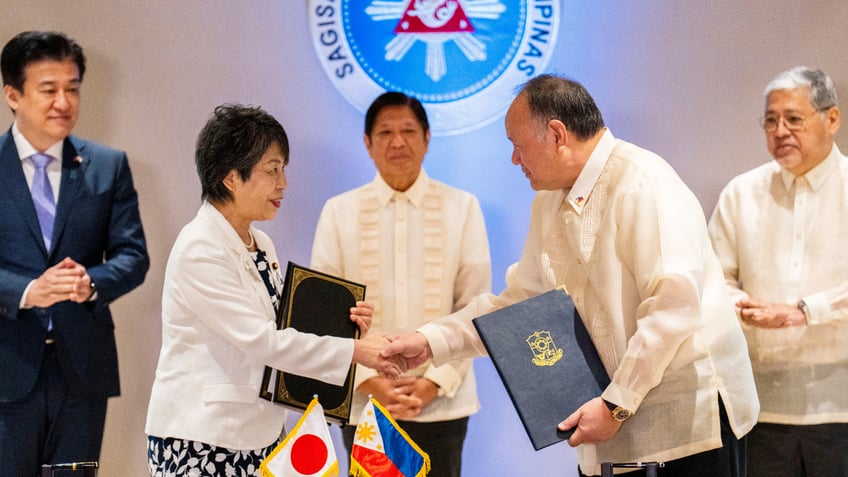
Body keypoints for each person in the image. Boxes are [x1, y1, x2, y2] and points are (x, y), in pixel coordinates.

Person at [383, 74, 760, 476]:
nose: (514, 159)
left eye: (517, 145)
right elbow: (517, 307)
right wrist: (430, 341)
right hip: (610, 422)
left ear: (557, 134)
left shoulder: (644, 184)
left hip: (687, 427)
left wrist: (616, 404)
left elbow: (673, 309)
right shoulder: (548, 202)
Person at [145, 103, 404, 476]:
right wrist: (355, 351)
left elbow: (286, 324)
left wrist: (346, 324)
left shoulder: (260, 243)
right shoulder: (199, 247)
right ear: (231, 177)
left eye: (283, 169)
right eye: (272, 170)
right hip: (201, 439)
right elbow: (263, 341)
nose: (283, 184)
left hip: (259, 433)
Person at [311, 91, 491, 476]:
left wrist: (434, 383)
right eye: (385, 132)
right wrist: (369, 380)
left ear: (427, 139)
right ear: (367, 143)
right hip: (367, 403)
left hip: (443, 401)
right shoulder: (339, 212)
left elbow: (475, 306)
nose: (397, 142)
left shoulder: (463, 207)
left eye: (408, 131)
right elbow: (323, 314)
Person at [0, 31, 149, 475]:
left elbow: (132, 255)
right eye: (49, 90)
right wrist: (28, 290)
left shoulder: (108, 165)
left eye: (72, 88)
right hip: (7, 369)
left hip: (82, 371)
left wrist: (90, 284)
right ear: (13, 94)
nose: (63, 102)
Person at [708, 67, 848, 476]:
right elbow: (713, 278)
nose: (780, 130)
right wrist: (738, 303)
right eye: (771, 120)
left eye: (793, 118)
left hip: (841, 407)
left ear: (832, 119)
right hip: (759, 408)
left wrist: (804, 311)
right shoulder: (741, 192)